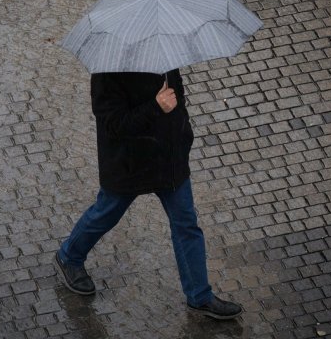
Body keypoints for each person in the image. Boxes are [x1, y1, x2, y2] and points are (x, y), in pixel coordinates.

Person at [54, 69, 243, 320]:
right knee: (106, 213)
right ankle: (69, 256)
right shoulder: (107, 73)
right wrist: (156, 106)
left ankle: (200, 296)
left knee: (186, 224)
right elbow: (113, 124)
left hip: (169, 159)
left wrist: (183, 132)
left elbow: (177, 93)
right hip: (129, 162)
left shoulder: (163, 53)